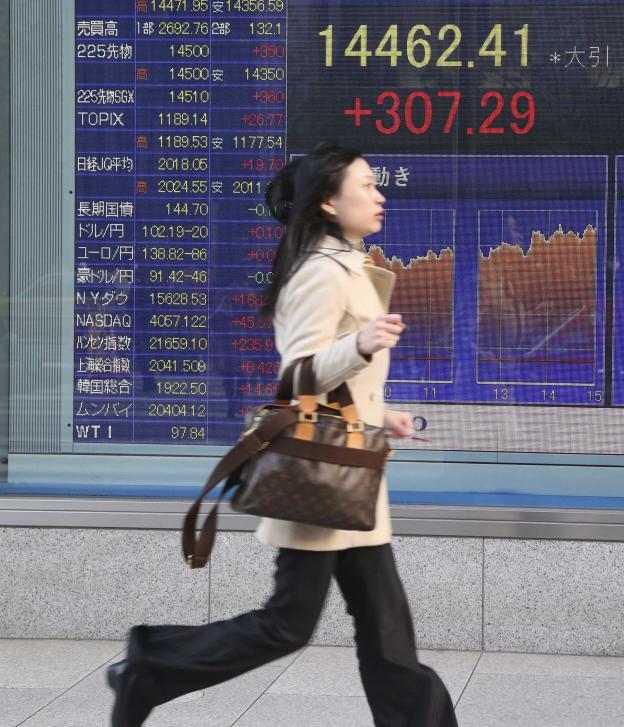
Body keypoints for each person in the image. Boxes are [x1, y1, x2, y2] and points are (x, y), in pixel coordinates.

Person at [107, 141, 460, 727]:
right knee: (288, 626)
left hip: (352, 472)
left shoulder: (348, 263)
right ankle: (150, 666)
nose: (381, 194)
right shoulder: (320, 274)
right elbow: (296, 375)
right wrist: (361, 344)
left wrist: (381, 415)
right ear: (327, 201)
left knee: (387, 632)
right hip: (322, 482)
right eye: (367, 185)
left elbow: (342, 384)